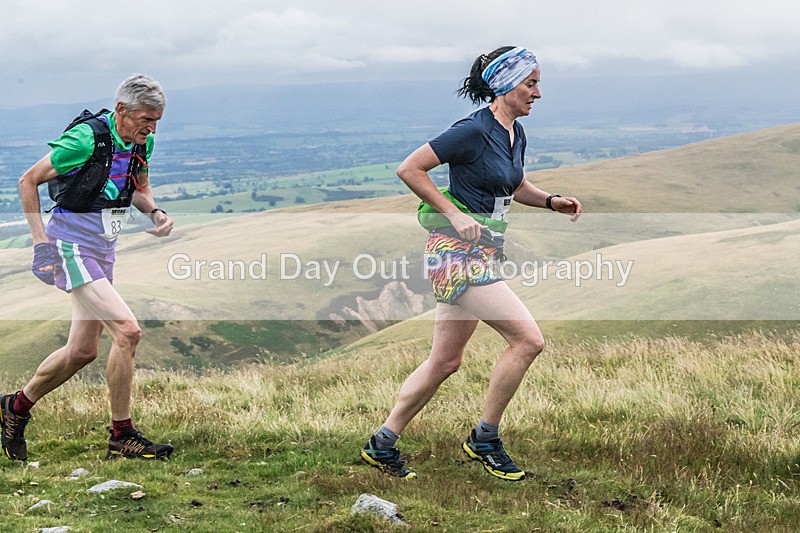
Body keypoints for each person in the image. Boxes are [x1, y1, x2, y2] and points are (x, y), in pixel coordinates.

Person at [360, 47, 582, 481]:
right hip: (456, 254)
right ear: (504, 85)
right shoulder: (472, 131)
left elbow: (512, 184)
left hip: (482, 252)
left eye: (538, 83)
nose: (538, 92)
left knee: (445, 362)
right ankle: (484, 439)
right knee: (528, 341)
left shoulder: (514, 132)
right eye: (531, 83)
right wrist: (456, 213)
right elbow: (410, 169)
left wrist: (550, 201)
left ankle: (381, 445)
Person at [1, 74, 175, 462]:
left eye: (157, 120)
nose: (152, 127)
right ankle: (122, 435)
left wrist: (156, 213)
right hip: (69, 245)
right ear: (122, 111)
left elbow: (140, 189)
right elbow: (27, 181)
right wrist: (40, 243)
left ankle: (15, 408)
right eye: (146, 118)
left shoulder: (142, 142)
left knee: (81, 351)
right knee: (128, 332)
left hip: (103, 248)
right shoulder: (85, 139)